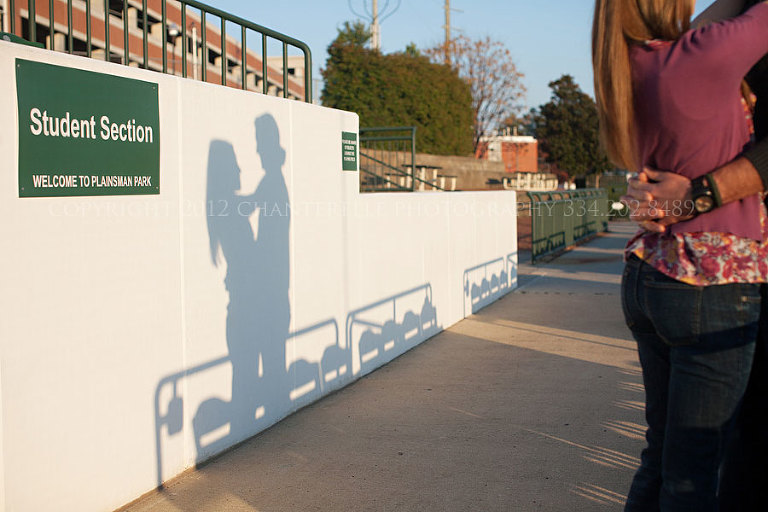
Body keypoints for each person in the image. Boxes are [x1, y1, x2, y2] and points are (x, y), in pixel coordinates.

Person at [592, 0, 768, 509]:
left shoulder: (631, 65)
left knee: (662, 458)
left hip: (649, 272)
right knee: (695, 477)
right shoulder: (702, 55)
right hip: (708, 285)